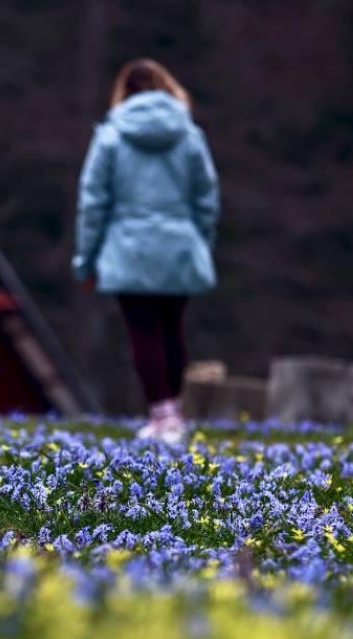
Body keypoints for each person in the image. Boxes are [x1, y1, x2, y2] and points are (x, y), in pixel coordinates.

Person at [73, 58, 220, 444]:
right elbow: (207, 197)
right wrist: (200, 241)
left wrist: (85, 258)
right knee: (172, 329)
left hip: (128, 247)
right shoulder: (190, 136)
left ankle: (162, 415)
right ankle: (173, 415)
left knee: (143, 332)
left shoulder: (110, 136)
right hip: (179, 244)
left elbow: (92, 203)